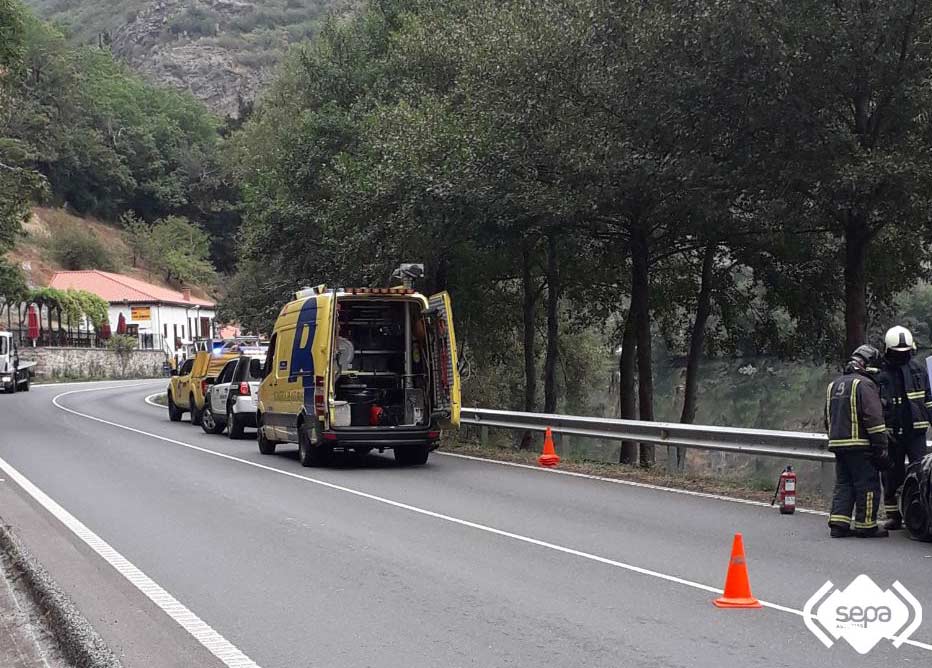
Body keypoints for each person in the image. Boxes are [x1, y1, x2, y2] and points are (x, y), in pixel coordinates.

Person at [825, 344, 891, 538]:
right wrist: (881, 445)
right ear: (868, 363)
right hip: (861, 445)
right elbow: (873, 417)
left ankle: (838, 524)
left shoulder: (833, 385)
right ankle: (866, 525)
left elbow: (827, 418)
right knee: (867, 484)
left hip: (838, 444)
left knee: (844, 484)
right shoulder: (864, 384)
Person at [876, 325, 932, 530]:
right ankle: (893, 516)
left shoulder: (918, 370)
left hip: (916, 433)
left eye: (905, 352)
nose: (901, 356)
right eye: (897, 353)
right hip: (892, 434)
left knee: (921, 475)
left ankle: (920, 514)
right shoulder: (880, 373)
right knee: (891, 475)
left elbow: (928, 400)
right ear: (887, 350)